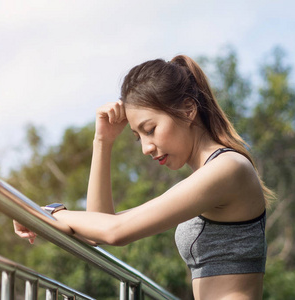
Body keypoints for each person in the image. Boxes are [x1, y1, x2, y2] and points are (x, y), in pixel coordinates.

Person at [14, 55, 273, 299]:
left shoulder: (228, 168)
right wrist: (102, 141)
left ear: (187, 110)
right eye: (139, 136)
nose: (146, 148)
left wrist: (48, 212)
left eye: (151, 130)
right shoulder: (214, 173)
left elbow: (115, 232)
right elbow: (99, 229)